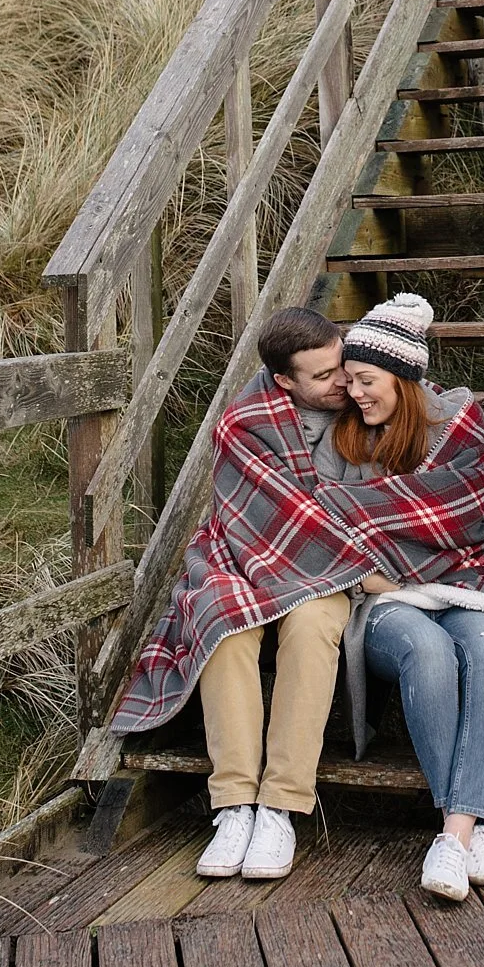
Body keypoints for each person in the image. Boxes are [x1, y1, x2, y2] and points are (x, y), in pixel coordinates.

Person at [311, 293, 484, 903]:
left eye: (366, 380)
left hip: (470, 577)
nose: (355, 393)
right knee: (429, 651)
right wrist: (380, 578)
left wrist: (391, 545)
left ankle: (454, 836)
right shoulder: (340, 443)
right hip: (379, 598)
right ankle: (471, 831)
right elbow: (324, 531)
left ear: (405, 379)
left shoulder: (458, 429)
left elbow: (467, 521)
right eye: (349, 380)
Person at [108, 306, 392, 885]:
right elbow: (258, 513)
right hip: (243, 551)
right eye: (323, 377)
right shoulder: (245, 423)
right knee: (223, 618)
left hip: (330, 568)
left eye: (341, 365)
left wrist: (352, 565)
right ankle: (235, 804)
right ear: (284, 382)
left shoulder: (362, 406)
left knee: (313, 626)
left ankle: (281, 807)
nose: (342, 382)